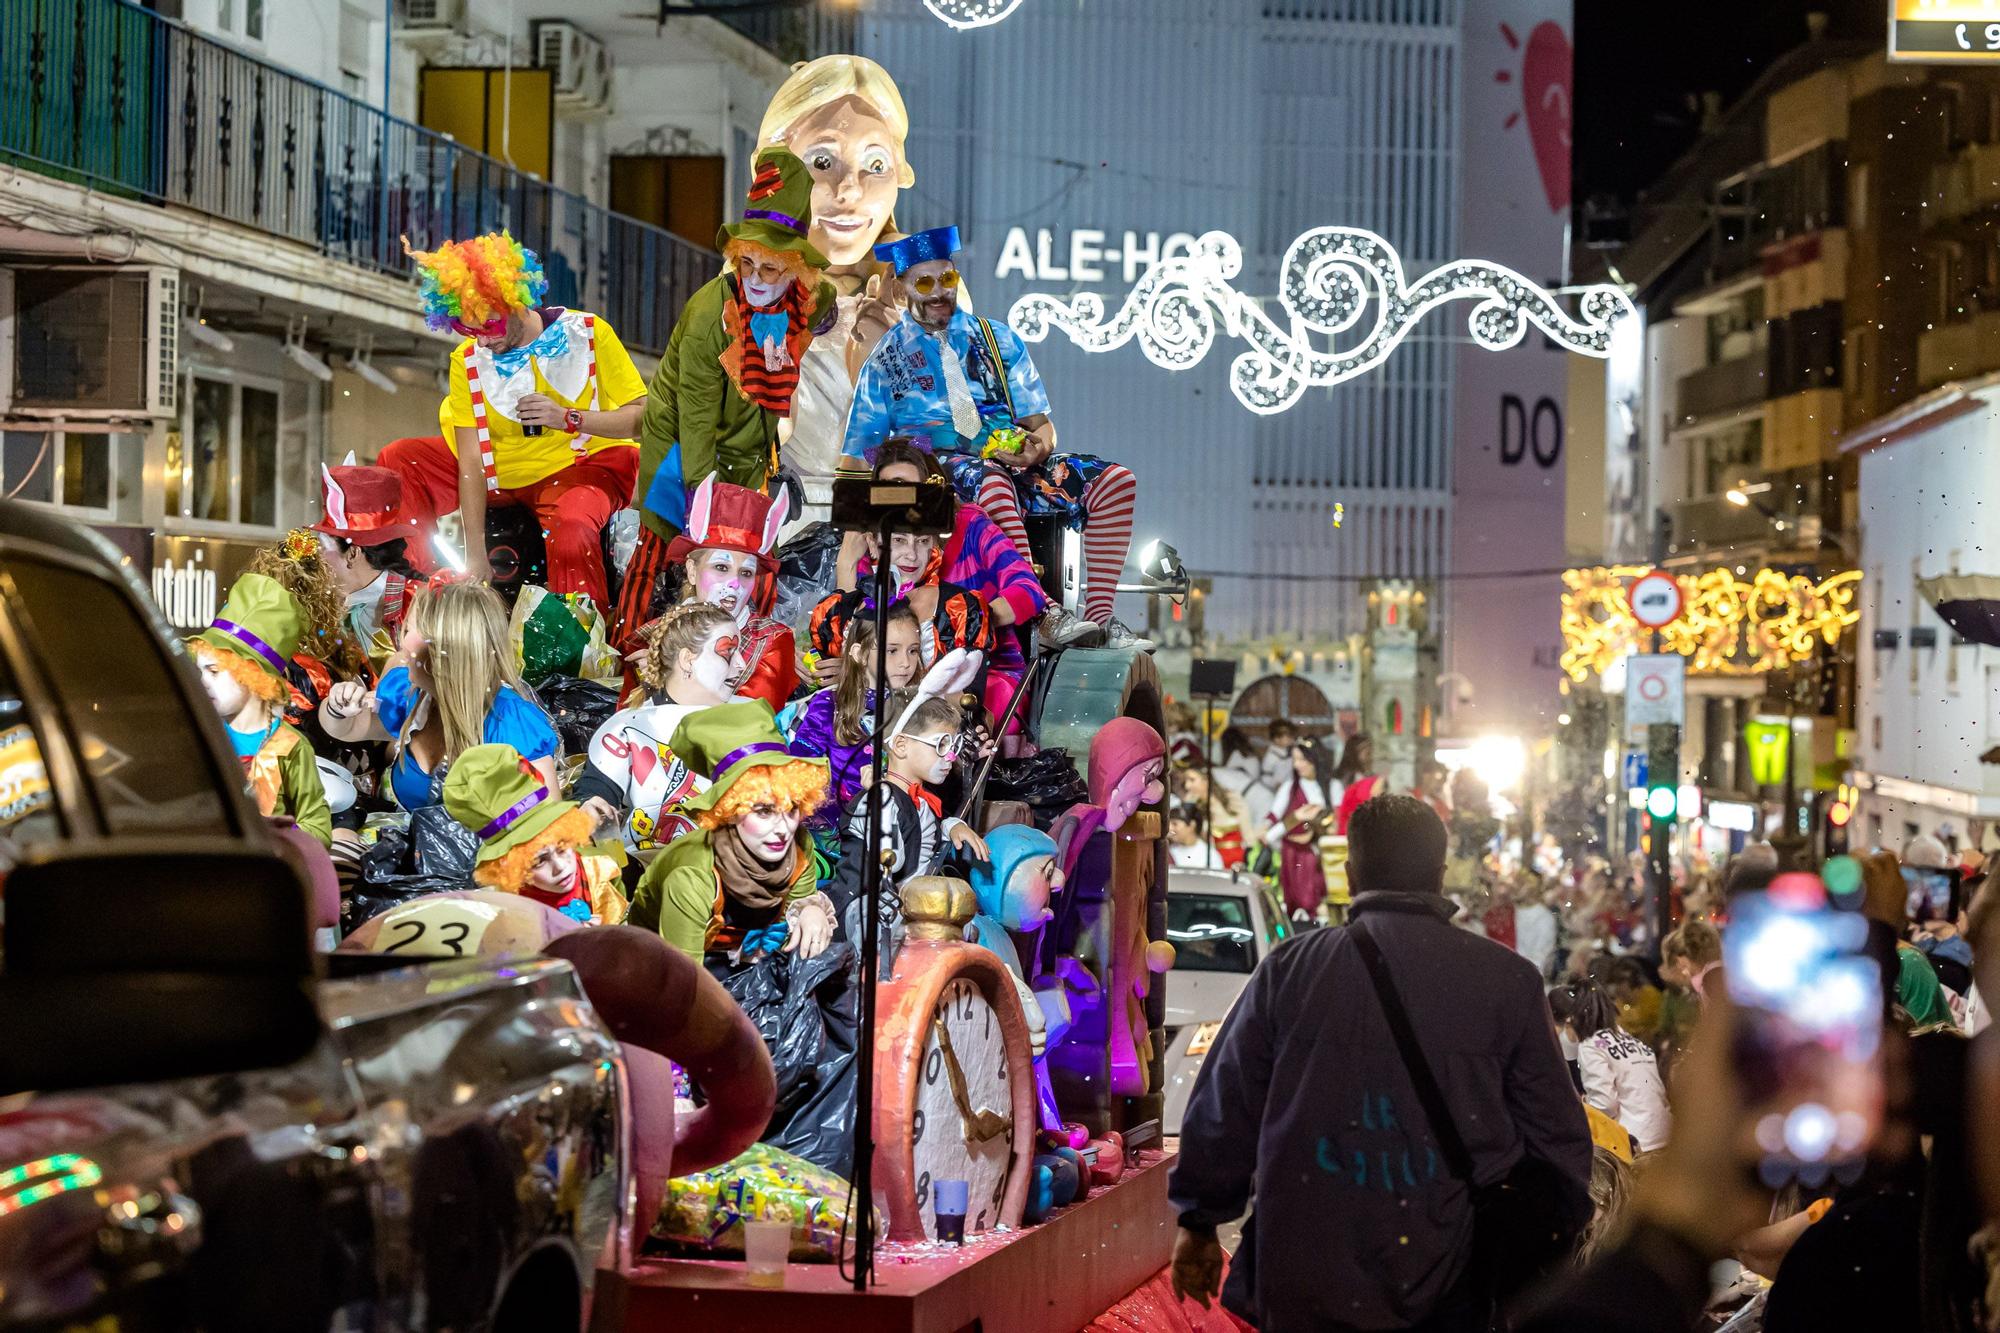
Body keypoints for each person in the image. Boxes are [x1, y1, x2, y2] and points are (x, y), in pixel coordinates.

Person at [1171, 794, 1592, 1332]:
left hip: (1305, 1269)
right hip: (1449, 1276)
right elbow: (1558, 1136)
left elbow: (1225, 1107)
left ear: (1350, 871)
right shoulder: (1507, 982)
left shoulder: (1289, 971)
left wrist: (1201, 1220)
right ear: (1439, 875)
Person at [838, 224, 1145, 646]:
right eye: (924, 282)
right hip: (939, 471)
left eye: (946, 278)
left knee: (1115, 481)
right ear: (904, 287)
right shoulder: (886, 360)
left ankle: (1101, 620)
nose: (939, 291)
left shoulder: (998, 339)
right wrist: (872, 511)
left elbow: (1042, 425)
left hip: (1010, 459)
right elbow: (862, 452)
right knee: (990, 480)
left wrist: (1039, 448)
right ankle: (1043, 612)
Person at [618, 147, 839, 654]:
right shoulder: (707, 314)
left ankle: (747, 663)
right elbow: (695, 416)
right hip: (681, 451)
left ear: (795, 270)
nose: (757, 280)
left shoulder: (808, 299)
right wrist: (703, 500)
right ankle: (628, 660)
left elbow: (824, 303)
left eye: (771, 268)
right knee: (665, 559)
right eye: (747, 264)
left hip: (749, 454)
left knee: (752, 561)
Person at [387, 232, 646, 606]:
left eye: (488, 325)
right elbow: (472, 460)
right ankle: (415, 592)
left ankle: (581, 642)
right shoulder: (467, 359)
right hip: (499, 471)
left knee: (572, 529)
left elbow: (640, 418)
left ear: (514, 301)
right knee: (401, 459)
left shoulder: (589, 333)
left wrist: (569, 417)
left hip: (580, 464)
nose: (482, 341)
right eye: (467, 328)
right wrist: (474, 552)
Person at [756, 54, 919, 523]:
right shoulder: (747, 293)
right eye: (822, 161)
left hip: (892, 523)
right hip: (779, 521)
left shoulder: (923, 291)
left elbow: (968, 426)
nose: (849, 189)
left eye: (875, 164)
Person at [626, 701, 836, 962]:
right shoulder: (693, 877)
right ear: (728, 810)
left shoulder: (798, 845)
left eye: (791, 808)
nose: (783, 829)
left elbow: (794, 924)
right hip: (662, 967)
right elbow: (684, 985)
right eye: (764, 811)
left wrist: (810, 910)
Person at [321, 579, 557, 812]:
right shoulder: (412, 695)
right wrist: (338, 708)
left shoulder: (511, 723)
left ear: (445, 650)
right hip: (406, 842)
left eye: (410, 629)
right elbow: (349, 729)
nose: (401, 642)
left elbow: (547, 826)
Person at [850, 439, 1099, 658]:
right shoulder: (872, 543)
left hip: (983, 669)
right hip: (899, 678)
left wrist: (967, 622)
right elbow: (852, 628)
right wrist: (846, 564)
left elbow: (1027, 589)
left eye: (910, 488)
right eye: (888, 490)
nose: (899, 498)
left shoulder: (969, 524)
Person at [574, 603, 747, 853]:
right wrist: (591, 810)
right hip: (648, 871)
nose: (741, 664)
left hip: (730, 870)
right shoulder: (629, 727)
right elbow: (595, 794)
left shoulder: (749, 717)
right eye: (728, 652)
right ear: (688, 660)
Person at [188, 572, 333, 848]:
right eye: (200, 671)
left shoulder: (290, 747)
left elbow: (318, 827)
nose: (202, 682)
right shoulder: (199, 737)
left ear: (253, 677)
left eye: (215, 671)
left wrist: (278, 837)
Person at [648, 475, 799, 709]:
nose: (735, 584)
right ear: (692, 570)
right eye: (721, 567)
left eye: (746, 573)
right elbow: (632, 723)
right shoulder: (652, 635)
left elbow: (752, 721)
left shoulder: (771, 641)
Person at [444, 742, 628, 925]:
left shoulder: (600, 870)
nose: (561, 866)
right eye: (539, 861)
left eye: (563, 846)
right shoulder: (502, 913)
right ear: (511, 868)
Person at [785, 602, 923, 811]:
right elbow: (800, 775)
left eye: (913, 651)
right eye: (892, 651)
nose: (905, 662)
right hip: (840, 829)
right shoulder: (828, 706)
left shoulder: (919, 709)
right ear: (859, 653)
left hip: (905, 826)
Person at [312, 460, 427, 670]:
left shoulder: (417, 605)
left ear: (353, 553)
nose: (316, 556)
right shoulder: (334, 608)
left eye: (322, 548)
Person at [1547, 980, 1671, 1152]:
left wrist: (1584, 1106)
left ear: (1569, 1021)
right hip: (1664, 1132)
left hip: (1635, 1140)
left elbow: (1605, 1105)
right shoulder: (1628, 1038)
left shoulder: (1591, 1046)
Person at [1264, 739, 1333, 921]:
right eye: (1295, 760)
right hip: (1294, 856)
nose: (1297, 765)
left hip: (1321, 855)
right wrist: (1297, 817)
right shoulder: (1290, 788)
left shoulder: (1331, 787)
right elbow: (1271, 827)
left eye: (1303, 760)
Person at [1167, 803, 1214, 870]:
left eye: (1175, 824)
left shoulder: (1209, 855)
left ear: (1192, 825)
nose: (1169, 828)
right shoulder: (1168, 850)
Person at [1413, 758, 1452, 823]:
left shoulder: (1441, 804)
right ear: (1425, 775)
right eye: (1437, 776)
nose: (1439, 781)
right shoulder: (1410, 796)